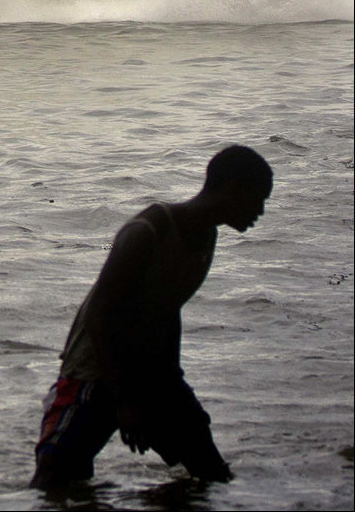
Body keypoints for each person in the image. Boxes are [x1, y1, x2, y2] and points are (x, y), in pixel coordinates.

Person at [29, 144, 273, 489]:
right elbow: (100, 315)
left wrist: (171, 382)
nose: (260, 211)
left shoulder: (206, 238)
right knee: (53, 479)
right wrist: (125, 401)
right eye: (258, 199)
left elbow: (169, 309)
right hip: (95, 368)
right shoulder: (148, 230)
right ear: (232, 188)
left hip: (151, 370)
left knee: (212, 474)